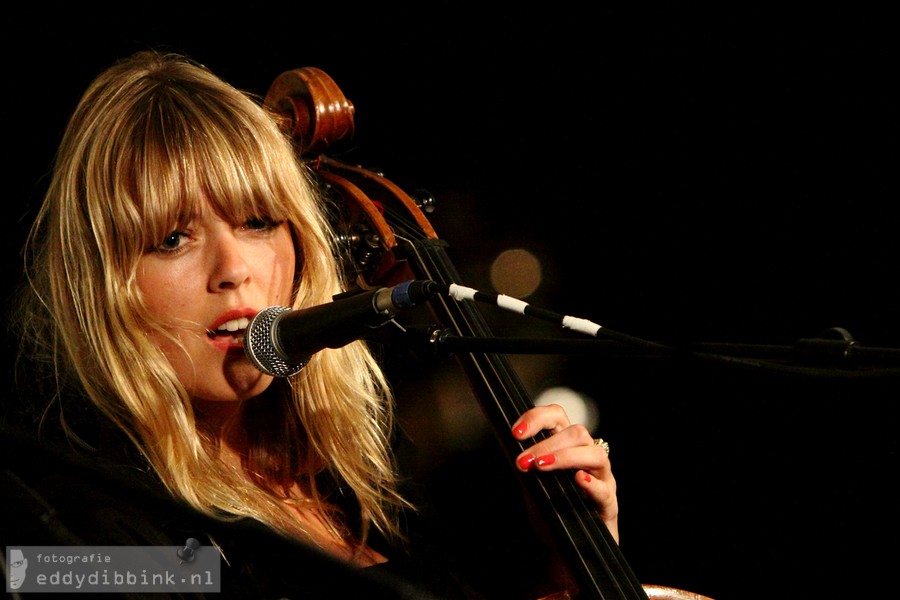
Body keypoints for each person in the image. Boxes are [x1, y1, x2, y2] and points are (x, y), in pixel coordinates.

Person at [7, 50, 618, 598]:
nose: (234, 270)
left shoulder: (359, 478)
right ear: (103, 286)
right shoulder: (73, 520)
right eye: (172, 239)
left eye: (258, 222)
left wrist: (574, 573)